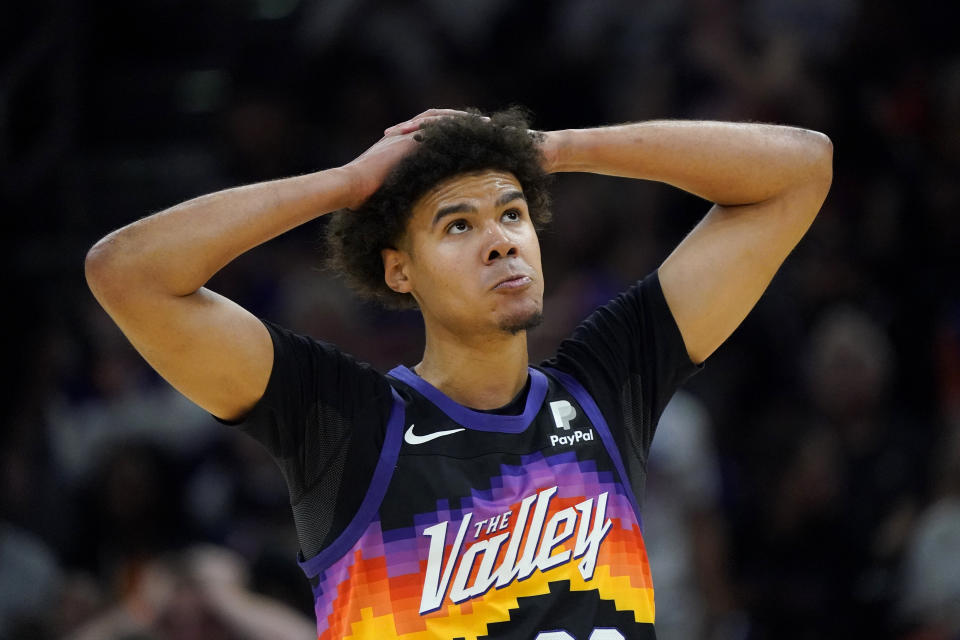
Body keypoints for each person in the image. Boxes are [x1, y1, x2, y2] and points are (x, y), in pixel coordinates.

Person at [85, 108, 832, 639]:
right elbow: (128, 274)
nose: (502, 242)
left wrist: (549, 146)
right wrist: (348, 186)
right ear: (399, 271)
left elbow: (801, 168)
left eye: (512, 214)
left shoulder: (606, 386)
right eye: (459, 225)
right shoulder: (346, 423)